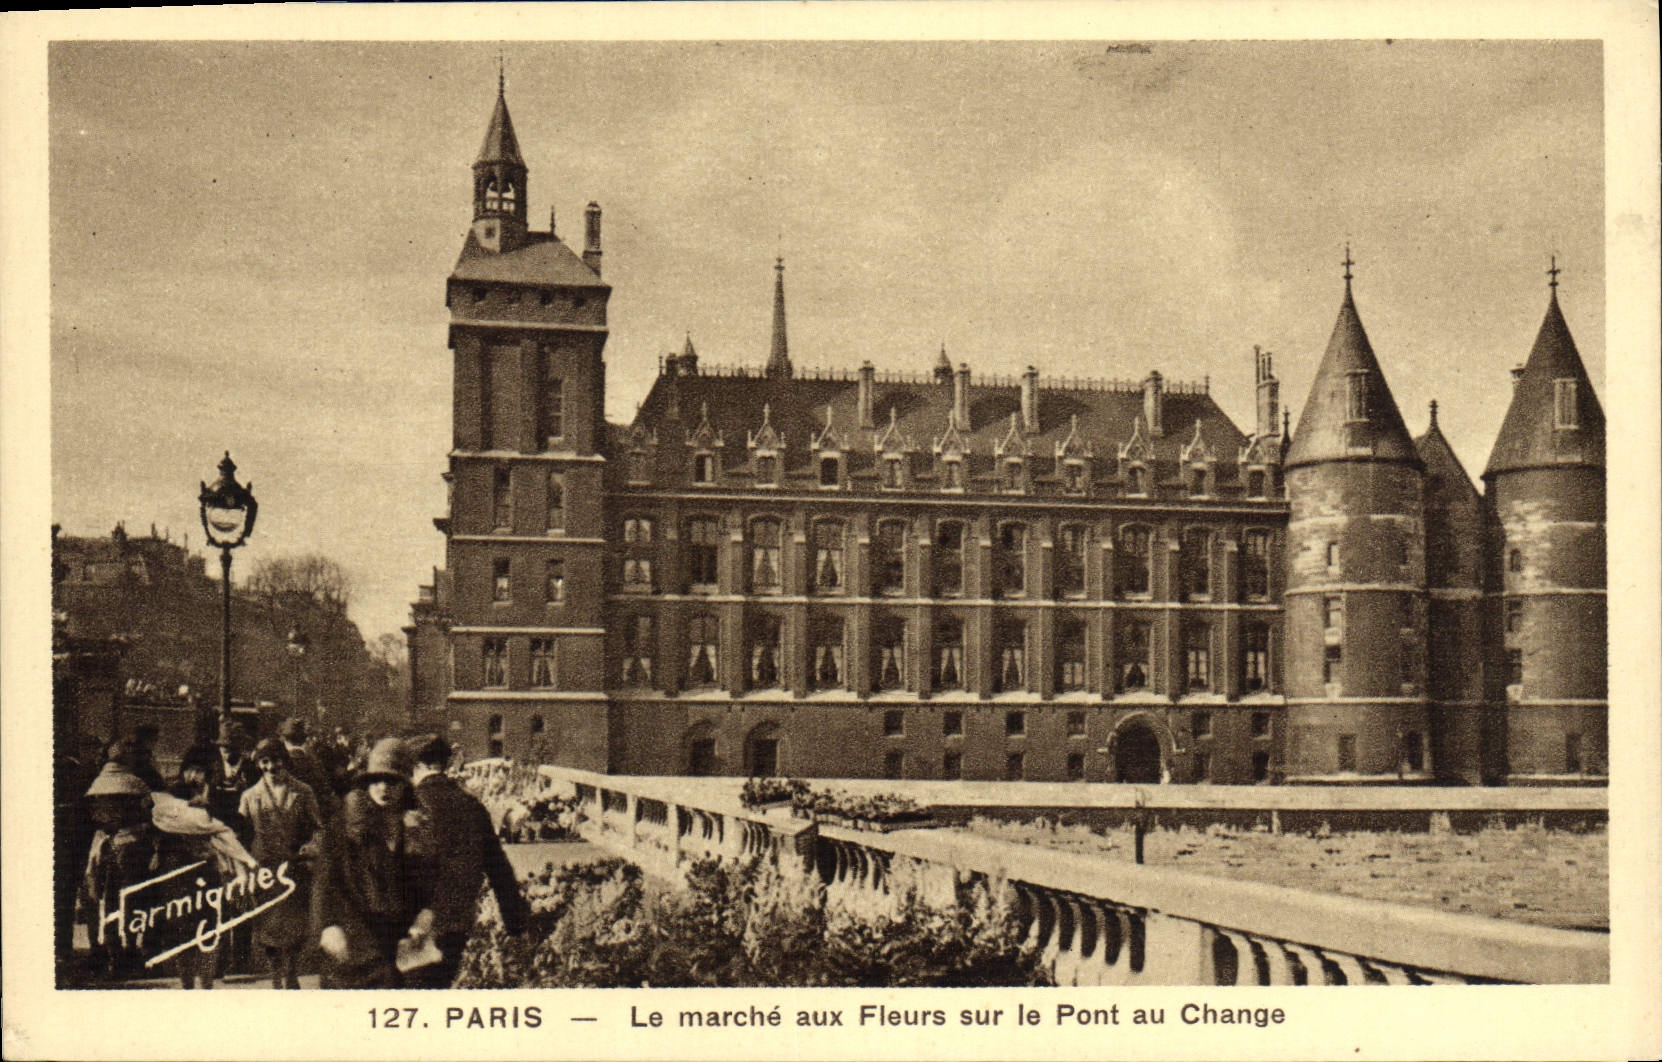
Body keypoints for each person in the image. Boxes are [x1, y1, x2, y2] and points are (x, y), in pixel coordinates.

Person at [405, 734, 528, 988]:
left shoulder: (410, 806)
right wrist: (514, 923)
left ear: (417, 767)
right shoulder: (471, 805)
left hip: (415, 924)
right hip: (458, 921)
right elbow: (498, 868)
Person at [310, 737, 435, 988]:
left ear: (405, 784)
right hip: (351, 941)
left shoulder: (415, 830)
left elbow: (430, 882)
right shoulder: (345, 827)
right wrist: (328, 926)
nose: (383, 788)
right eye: (375, 781)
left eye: (391, 781)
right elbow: (324, 882)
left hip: (398, 944)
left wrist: (426, 912)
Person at [152, 750, 258, 989]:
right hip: (178, 868)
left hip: (207, 868)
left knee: (210, 923)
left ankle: (207, 981)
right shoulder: (172, 793)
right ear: (184, 770)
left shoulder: (216, 795)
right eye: (192, 769)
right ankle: (188, 982)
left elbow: (225, 827)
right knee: (182, 926)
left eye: (201, 771)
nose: (195, 775)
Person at [239, 739, 323, 989]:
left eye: (275, 760)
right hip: (264, 868)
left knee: (295, 924)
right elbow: (242, 833)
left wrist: (311, 848)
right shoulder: (249, 796)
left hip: (294, 866)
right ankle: (276, 976)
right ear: (259, 765)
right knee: (268, 926)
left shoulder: (303, 792)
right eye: (265, 762)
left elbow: (318, 828)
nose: (271, 767)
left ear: (284, 762)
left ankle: (292, 973)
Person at [76, 756, 155, 980]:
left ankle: (119, 957)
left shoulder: (101, 791)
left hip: (119, 847)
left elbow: (100, 819)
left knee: (113, 904)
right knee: (126, 904)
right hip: (127, 847)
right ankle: (124, 956)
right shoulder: (136, 790)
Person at [279, 717, 339, 822]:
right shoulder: (315, 761)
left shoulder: (278, 762)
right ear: (303, 739)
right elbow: (325, 790)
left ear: (284, 739)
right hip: (311, 817)